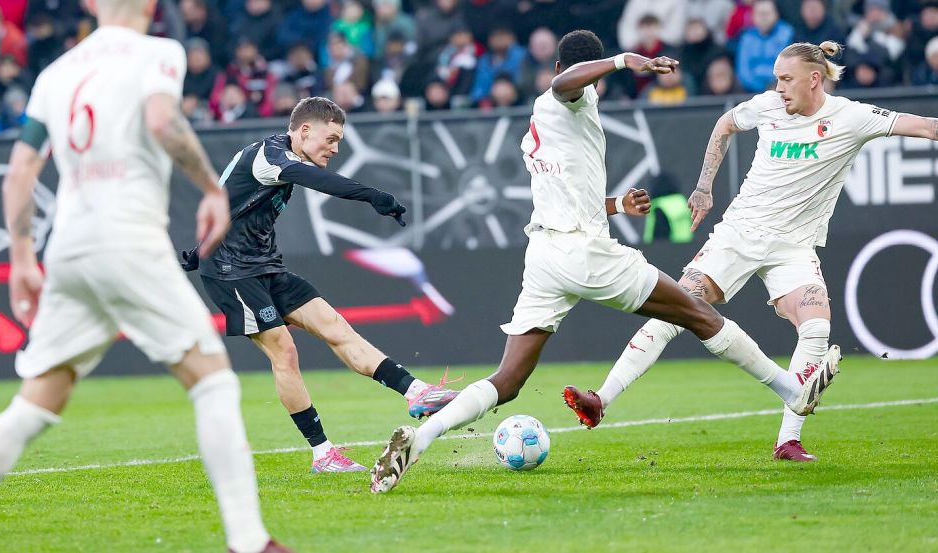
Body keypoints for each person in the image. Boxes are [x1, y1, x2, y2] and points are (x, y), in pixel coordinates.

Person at [370, 30, 841, 494]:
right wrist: (622, 61)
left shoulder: (554, 117)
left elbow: (569, 189)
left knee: (508, 379)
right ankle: (791, 392)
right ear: (578, 73)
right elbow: (564, 85)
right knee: (700, 314)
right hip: (583, 252)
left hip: (546, 256)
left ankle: (421, 438)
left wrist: (616, 206)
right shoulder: (564, 98)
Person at [0, 1, 290, 552]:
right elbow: (161, 120)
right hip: (128, 237)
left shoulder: (57, 72)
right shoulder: (158, 51)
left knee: (36, 401)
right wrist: (211, 187)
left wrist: (20, 259)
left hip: (69, 247)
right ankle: (249, 540)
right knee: (213, 381)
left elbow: (20, 171)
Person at [571, 40, 938, 462]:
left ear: (814, 79)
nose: (778, 88)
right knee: (675, 309)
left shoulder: (852, 117)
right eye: (776, 80)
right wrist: (704, 186)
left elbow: (927, 127)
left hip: (794, 247)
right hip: (739, 235)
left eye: (786, 79)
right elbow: (725, 125)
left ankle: (788, 441)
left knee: (817, 328)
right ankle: (601, 399)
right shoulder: (767, 107)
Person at [181, 97, 459, 473]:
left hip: (263, 264)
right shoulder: (271, 155)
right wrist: (374, 196)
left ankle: (417, 392)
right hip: (230, 272)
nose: (336, 148)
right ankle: (323, 454)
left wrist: (199, 248)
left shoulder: (279, 158)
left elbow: (230, 198)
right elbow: (319, 181)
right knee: (285, 350)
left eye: (339, 141)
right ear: (304, 130)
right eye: (331, 139)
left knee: (335, 326)